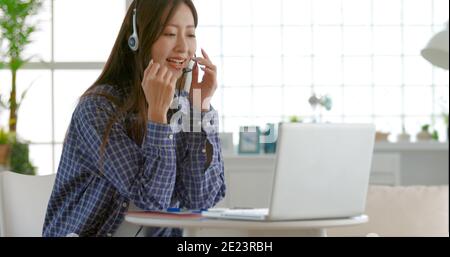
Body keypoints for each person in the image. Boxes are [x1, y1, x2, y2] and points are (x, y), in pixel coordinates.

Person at [43, 0, 225, 237]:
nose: (183, 47)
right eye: (169, 33)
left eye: (190, 34)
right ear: (136, 39)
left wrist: (200, 108)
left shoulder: (184, 106)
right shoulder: (97, 109)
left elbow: (200, 197)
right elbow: (152, 200)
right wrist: (158, 117)